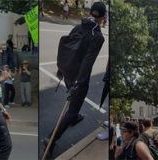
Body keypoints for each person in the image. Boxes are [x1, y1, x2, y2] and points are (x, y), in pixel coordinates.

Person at [42, 2, 107, 157]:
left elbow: (66, 46)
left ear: (91, 12)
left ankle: (75, 115)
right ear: (104, 17)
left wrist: (62, 69)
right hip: (79, 77)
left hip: (69, 72)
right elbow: (87, 62)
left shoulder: (79, 26)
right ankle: (51, 138)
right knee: (71, 110)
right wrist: (79, 83)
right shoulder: (97, 37)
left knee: (74, 104)